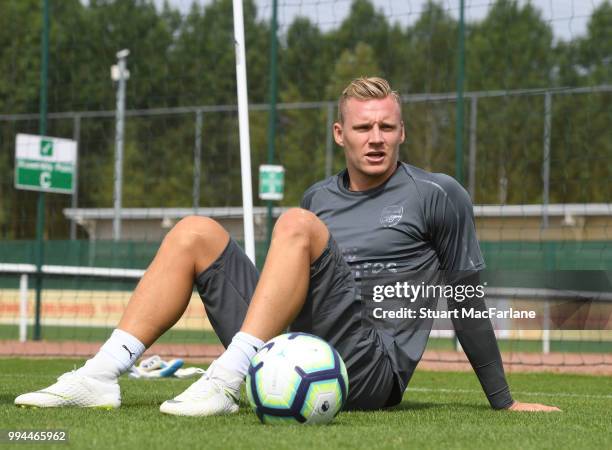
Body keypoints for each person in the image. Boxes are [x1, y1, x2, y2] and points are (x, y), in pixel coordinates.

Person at [15, 77, 560, 414]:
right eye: (364, 127)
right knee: (194, 231)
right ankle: (101, 375)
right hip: (291, 344)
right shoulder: (317, 198)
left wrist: (503, 400)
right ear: (338, 134)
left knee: (295, 225)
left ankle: (225, 381)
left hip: (372, 369)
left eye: (387, 127)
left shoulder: (439, 195)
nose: (376, 138)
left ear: (402, 133)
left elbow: (466, 296)